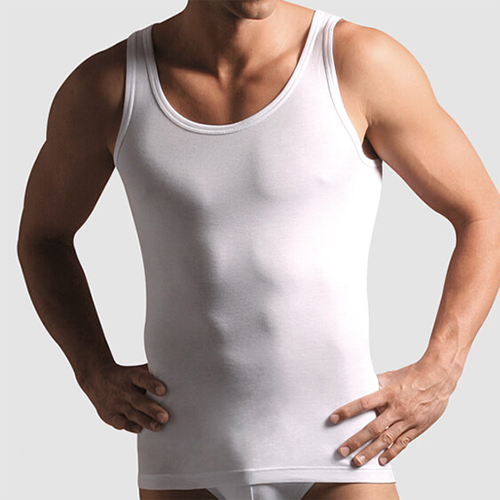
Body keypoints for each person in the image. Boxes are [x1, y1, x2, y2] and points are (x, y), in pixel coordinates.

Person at [17, 0, 500, 499]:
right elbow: (43, 239)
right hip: (183, 453)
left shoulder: (357, 63)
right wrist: (92, 369)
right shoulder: (109, 86)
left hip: (344, 451)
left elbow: (484, 215)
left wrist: (442, 369)